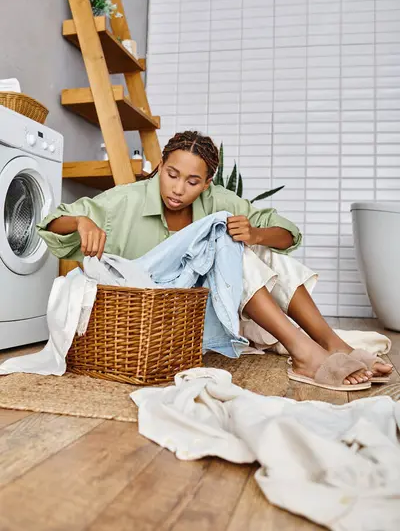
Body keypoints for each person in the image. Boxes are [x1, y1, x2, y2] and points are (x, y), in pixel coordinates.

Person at [37, 131, 392, 389]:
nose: (178, 189)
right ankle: (305, 351)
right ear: (160, 166)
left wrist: (255, 234)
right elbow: (49, 223)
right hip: (149, 297)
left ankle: (330, 344)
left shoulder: (218, 199)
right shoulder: (125, 200)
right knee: (223, 233)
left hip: (196, 307)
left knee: (251, 243)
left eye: (192, 182)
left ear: (207, 184)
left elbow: (287, 233)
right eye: (171, 175)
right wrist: (82, 221)